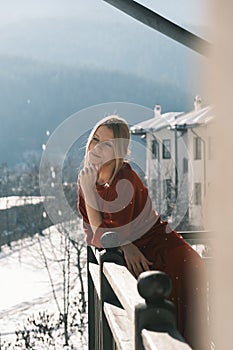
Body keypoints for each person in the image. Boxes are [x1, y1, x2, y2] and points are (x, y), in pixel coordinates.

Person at [78, 115, 210, 350]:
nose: (97, 148)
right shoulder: (89, 177)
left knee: (175, 335)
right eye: (95, 139)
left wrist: (122, 241)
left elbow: (103, 236)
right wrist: (124, 243)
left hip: (171, 258)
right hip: (146, 259)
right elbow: (96, 237)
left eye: (106, 144)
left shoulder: (125, 179)